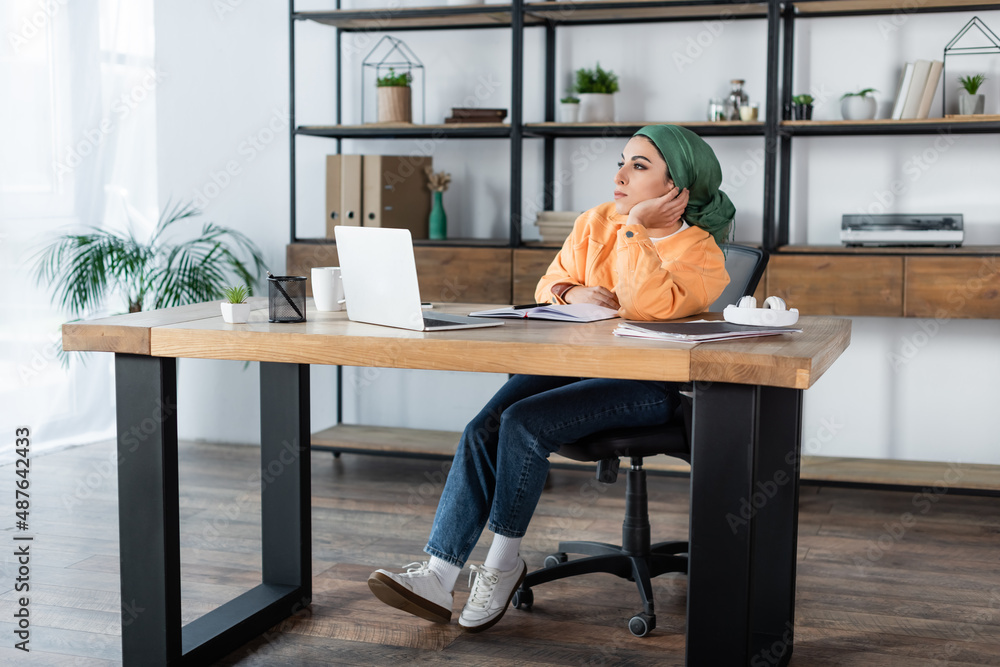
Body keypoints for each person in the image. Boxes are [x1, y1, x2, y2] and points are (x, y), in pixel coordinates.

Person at [367, 124, 735, 632]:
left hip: (648, 387)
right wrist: (570, 293)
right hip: (574, 365)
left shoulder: (700, 251)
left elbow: (648, 309)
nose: (621, 174)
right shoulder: (593, 222)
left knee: (523, 422)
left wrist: (634, 228)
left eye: (640, 166)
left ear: (679, 188)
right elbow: (549, 284)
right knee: (484, 427)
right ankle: (437, 572)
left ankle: (502, 565)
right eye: (622, 160)